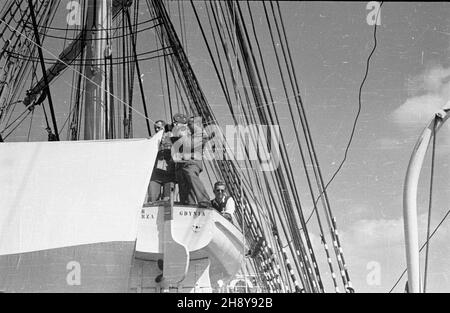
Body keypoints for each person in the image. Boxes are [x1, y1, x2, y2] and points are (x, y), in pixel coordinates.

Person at [171, 113, 210, 207]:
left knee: (192, 177)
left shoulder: (200, 135)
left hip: (192, 162)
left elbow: (189, 145)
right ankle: (188, 204)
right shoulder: (185, 136)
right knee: (184, 185)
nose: (189, 126)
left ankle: (204, 200)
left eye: (191, 123)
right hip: (182, 163)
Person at [147, 120, 175, 203]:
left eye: (159, 128)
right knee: (152, 198)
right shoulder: (152, 140)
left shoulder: (172, 138)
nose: (156, 130)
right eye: (155, 128)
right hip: (156, 174)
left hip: (169, 172)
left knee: (168, 199)